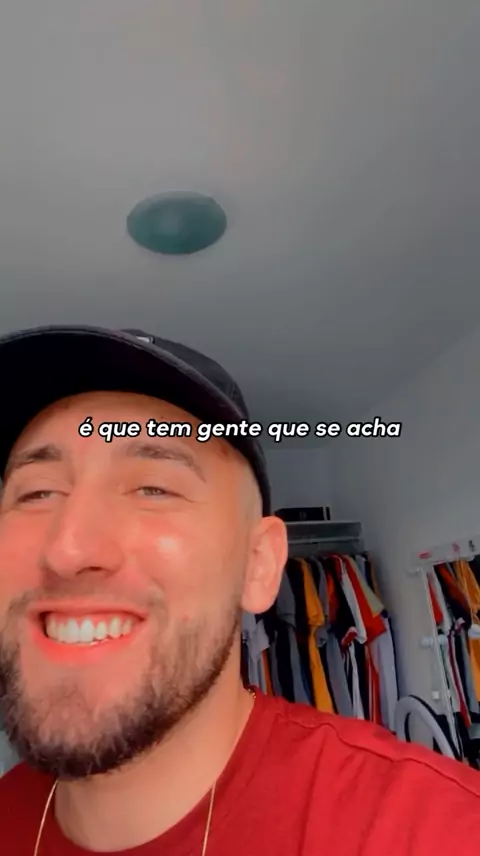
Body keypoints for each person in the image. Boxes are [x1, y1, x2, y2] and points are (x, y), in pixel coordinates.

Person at [0, 324, 479, 856]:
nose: (68, 548)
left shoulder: (436, 830)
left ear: (258, 565)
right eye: (36, 493)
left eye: (153, 488)